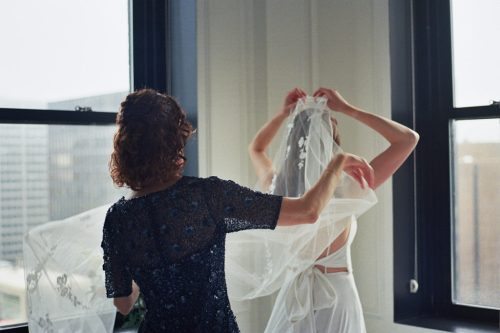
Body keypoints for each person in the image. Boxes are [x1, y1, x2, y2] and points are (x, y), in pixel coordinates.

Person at [100, 88, 376, 333]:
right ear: (176, 140)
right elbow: (308, 212)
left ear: (125, 147)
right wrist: (337, 163)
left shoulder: (117, 218)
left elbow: (124, 303)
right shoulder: (208, 195)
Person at [241, 87, 419, 332]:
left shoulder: (275, 188)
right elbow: (408, 139)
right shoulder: (348, 189)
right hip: (337, 298)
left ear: (293, 144)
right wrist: (348, 109)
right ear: (332, 144)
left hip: (292, 297)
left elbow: (256, 148)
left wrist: (283, 114)